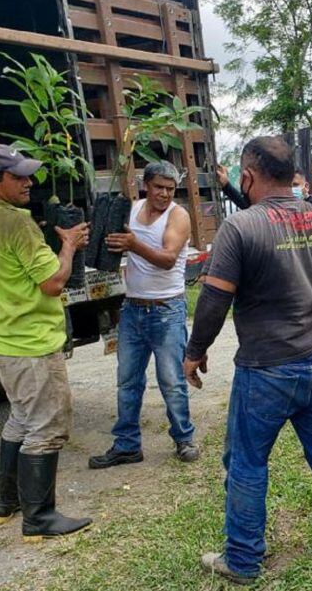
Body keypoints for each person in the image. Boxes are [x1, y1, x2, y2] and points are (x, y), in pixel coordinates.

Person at [185, 136, 312, 584]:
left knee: (248, 463)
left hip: (267, 370)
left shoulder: (240, 227)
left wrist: (194, 352)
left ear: (247, 177)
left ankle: (244, 560)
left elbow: (214, 299)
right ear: (291, 175)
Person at [0, 144, 91, 541]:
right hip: (31, 342)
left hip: (2, 338)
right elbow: (53, 283)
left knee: (21, 418)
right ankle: (39, 518)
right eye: (17, 177)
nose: (28, 183)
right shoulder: (17, 225)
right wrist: (68, 246)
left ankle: (8, 504)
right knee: (48, 425)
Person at [88, 161, 199, 469]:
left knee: (171, 381)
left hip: (167, 309)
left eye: (170, 189)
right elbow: (117, 243)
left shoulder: (178, 216)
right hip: (134, 308)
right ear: (145, 186)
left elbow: (167, 259)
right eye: (158, 187)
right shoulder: (134, 209)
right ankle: (126, 445)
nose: (164, 194)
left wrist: (134, 245)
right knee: (127, 381)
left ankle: (183, 438)